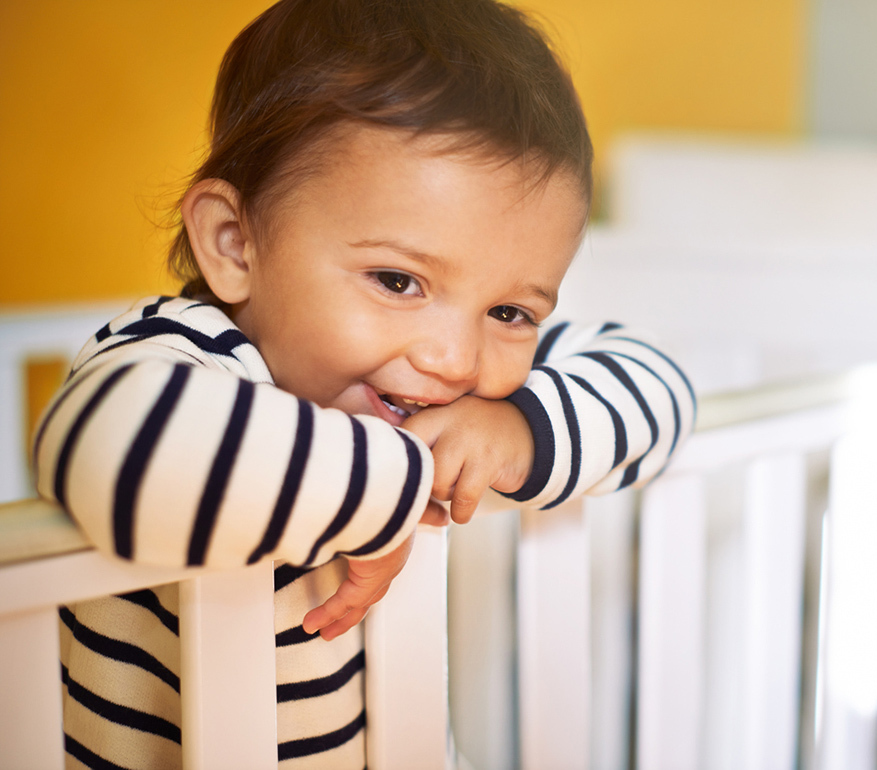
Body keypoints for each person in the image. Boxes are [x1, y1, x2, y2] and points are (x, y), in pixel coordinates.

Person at [32, 0, 696, 766]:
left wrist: (519, 434)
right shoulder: (180, 355)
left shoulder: (470, 388)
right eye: (396, 280)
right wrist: (396, 487)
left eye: (511, 310)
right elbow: (118, 450)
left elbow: (662, 383)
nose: (455, 359)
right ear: (233, 243)